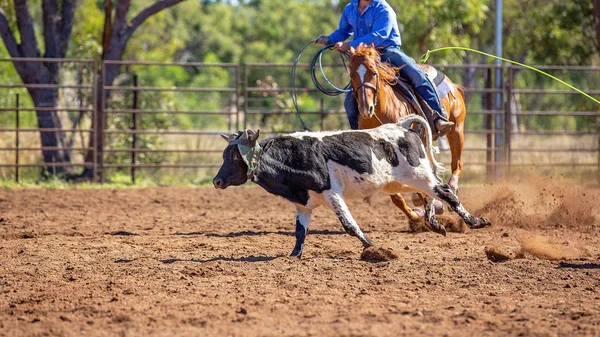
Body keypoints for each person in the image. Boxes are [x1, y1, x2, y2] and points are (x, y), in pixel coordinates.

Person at [315, 0, 454, 135]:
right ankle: (357, 136)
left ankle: (438, 117)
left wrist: (350, 45)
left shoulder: (383, 8)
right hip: (364, 55)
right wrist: (329, 40)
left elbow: (379, 36)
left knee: (416, 74)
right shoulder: (350, 9)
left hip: (387, 50)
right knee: (349, 102)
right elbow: (343, 31)